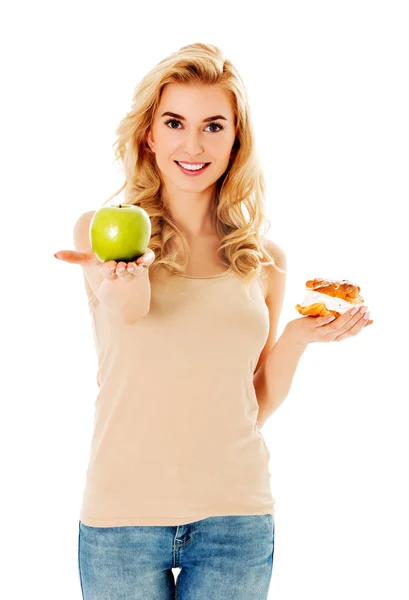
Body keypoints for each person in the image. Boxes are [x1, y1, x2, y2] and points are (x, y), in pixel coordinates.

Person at [54, 42, 371, 600]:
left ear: (236, 140)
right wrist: (123, 278)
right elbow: (129, 314)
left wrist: (298, 338)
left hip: (236, 520)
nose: (193, 145)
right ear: (150, 133)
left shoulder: (264, 258)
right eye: (175, 122)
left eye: (214, 125)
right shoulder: (105, 232)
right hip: (121, 518)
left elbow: (253, 403)